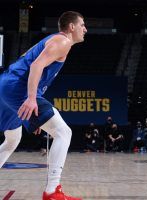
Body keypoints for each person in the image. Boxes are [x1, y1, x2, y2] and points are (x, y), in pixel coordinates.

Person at [0, 11, 87, 200]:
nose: (85, 29)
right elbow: (36, 66)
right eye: (82, 25)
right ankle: (52, 192)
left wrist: (36, 116)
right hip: (18, 88)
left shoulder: (54, 41)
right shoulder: (62, 41)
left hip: (6, 87)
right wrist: (31, 99)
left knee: (12, 140)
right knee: (63, 132)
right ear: (71, 27)